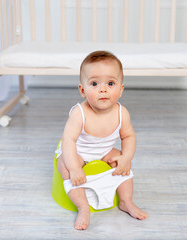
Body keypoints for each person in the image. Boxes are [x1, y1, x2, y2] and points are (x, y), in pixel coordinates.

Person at [56, 50, 148, 230]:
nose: (103, 89)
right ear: (82, 90)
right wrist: (75, 167)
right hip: (78, 151)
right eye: (94, 83)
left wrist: (126, 158)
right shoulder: (79, 113)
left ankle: (126, 201)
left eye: (111, 83)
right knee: (65, 167)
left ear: (121, 89)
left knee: (121, 163)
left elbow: (128, 136)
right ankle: (83, 208)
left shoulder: (122, 113)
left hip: (104, 151)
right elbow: (68, 141)